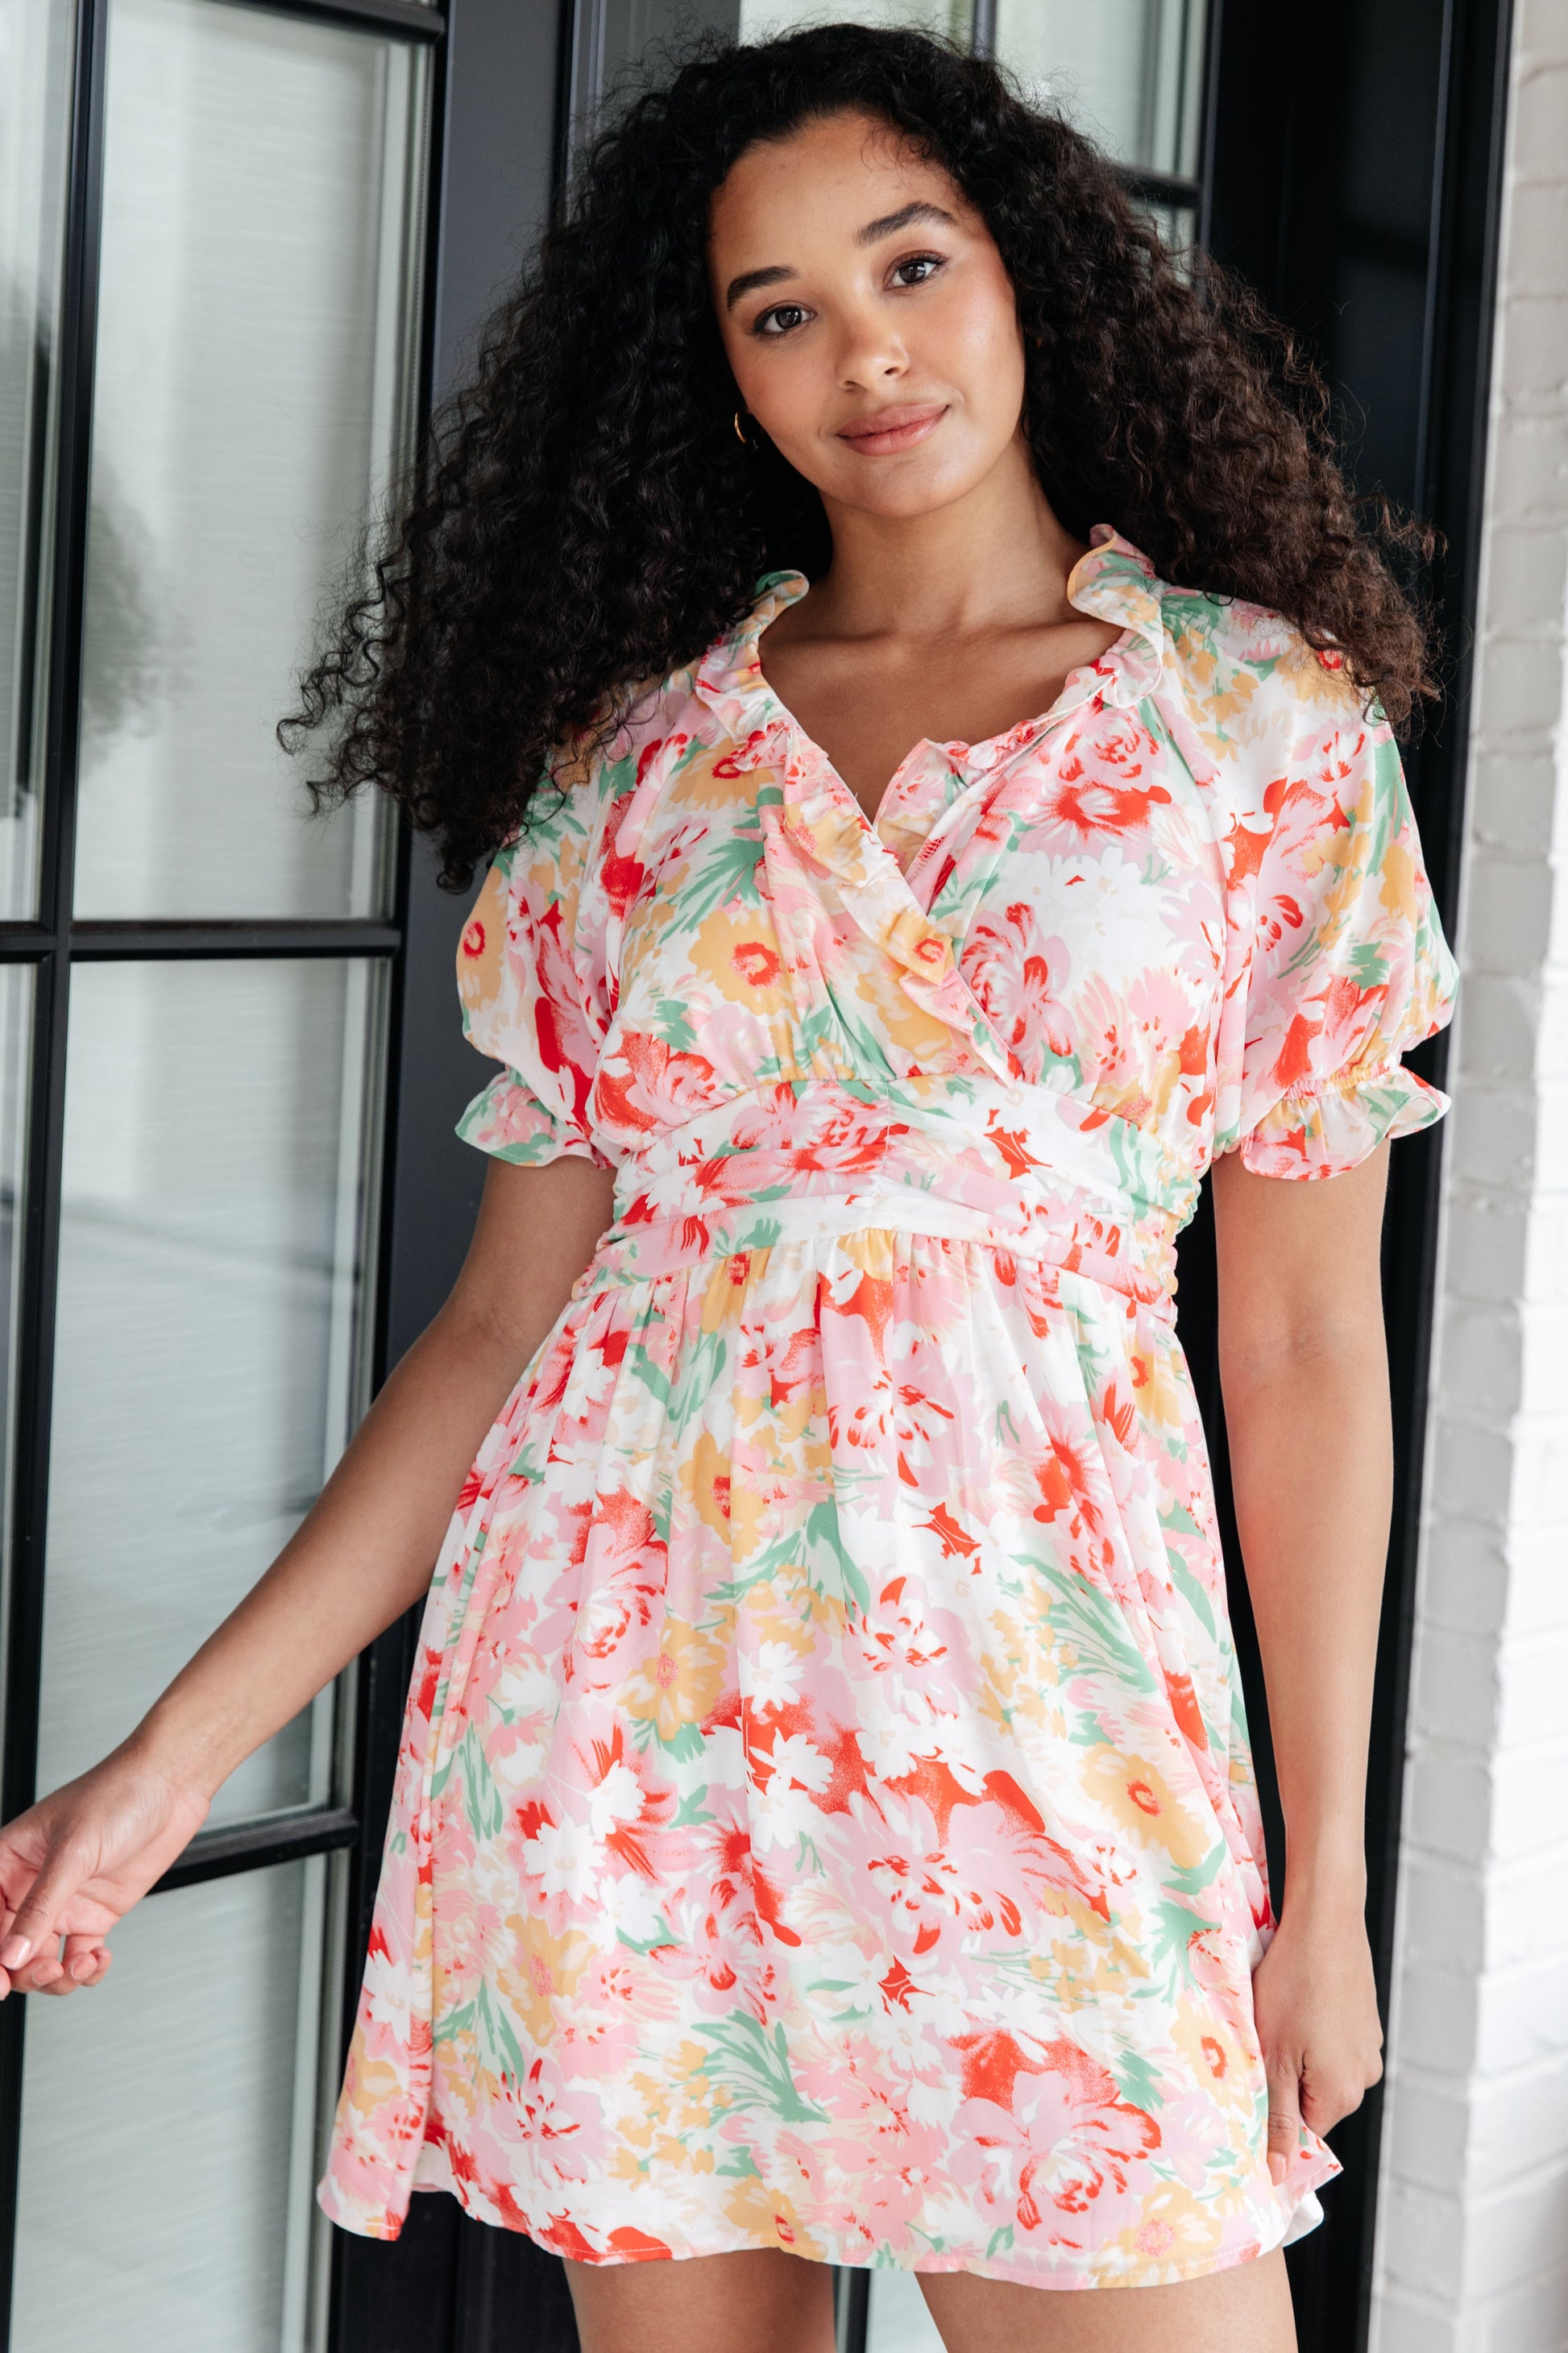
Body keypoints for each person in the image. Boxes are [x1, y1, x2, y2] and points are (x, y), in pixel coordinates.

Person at [0, 25, 1456, 2353]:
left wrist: (1326, 1886)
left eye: (910, 264)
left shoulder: (1256, 724)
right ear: (725, 375)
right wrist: (163, 1774)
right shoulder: (638, 763)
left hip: (1055, 1720)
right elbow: (503, 1329)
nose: (863, 349)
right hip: (634, 1701)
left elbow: (1297, 1343)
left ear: (1029, 271)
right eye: (781, 310)